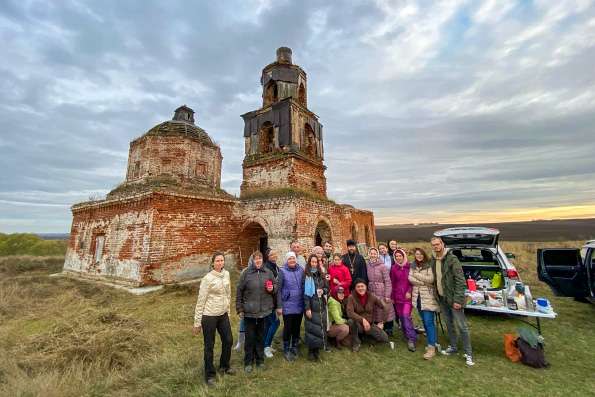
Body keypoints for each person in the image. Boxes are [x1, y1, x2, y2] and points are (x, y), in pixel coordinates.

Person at [430, 236, 474, 366]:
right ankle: (453, 347)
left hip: (454, 299)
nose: (436, 247)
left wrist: (458, 299)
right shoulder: (433, 259)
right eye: (433, 245)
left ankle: (468, 353)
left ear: (442, 244)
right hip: (442, 298)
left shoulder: (452, 259)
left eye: (437, 244)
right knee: (449, 324)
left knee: (462, 326)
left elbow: (460, 281)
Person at [193, 252, 234, 386]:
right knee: (209, 345)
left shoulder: (226, 274)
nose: (220, 263)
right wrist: (197, 322)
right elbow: (201, 300)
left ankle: (224, 366)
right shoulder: (207, 279)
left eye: (222, 260)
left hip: (223, 315)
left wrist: (228, 312)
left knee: (228, 340)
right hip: (209, 315)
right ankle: (209, 375)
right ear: (213, 263)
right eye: (217, 261)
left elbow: (228, 295)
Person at [236, 251, 277, 373]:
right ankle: (248, 361)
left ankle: (260, 360)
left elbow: (275, 286)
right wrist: (239, 308)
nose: (258, 260)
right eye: (256, 259)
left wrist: (272, 288)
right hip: (249, 311)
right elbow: (239, 291)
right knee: (250, 338)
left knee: (260, 337)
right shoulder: (246, 273)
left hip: (264, 311)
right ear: (252, 261)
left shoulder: (268, 272)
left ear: (262, 260)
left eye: (260, 258)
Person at [346, 279, 394, 352]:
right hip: (358, 324)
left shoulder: (372, 296)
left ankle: (365, 337)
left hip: (370, 325)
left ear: (366, 287)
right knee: (351, 321)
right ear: (355, 288)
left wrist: (382, 322)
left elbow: (384, 307)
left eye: (362, 286)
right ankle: (356, 342)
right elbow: (350, 313)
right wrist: (362, 320)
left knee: (384, 338)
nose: (360, 288)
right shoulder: (351, 297)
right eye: (358, 286)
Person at [408, 247, 439, 360]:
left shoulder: (428, 265)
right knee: (424, 322)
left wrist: (417, 275)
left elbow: (431, 279)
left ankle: (431, 348)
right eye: (417, 254)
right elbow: (409, 278)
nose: (419, 256)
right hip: (418, 298)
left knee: (428, 321)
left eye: (420, 254)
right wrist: (422, 281)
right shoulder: (413, 266)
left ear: (423, 255)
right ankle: (432, 342)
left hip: (428, 297)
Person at [276, 251, 305, 362]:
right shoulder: (282, 271)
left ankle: (294, 346)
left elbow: (303, 285)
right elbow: (278, 290)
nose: (292, 261)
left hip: (299, 303)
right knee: (288, 327)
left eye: (293, 258)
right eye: (290, 259)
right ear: (287, 260)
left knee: (296, 327)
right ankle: (286, 349)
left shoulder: (301, 270)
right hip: (287, 304)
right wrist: (279, 306)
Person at [303, 254, 329, 361]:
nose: (314, 264)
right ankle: (311, 351)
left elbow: (328, 288)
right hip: (311, 306)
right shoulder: (306, 276)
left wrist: (323, 291)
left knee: (319, 328)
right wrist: (307, 308)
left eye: (315, 262)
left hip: (321, 306)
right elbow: (305, 294)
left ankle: (317, 350)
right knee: (311, 328)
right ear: (309, 263)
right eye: (312, 262)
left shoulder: (321, 275)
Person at [390, 248, 416, 351]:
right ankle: (407, 334)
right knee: (401, 317)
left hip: (407, 296)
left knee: (406, 316)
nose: (398, 258)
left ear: (404, 256)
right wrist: (392, 296)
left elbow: (412, 281)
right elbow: (392, 283)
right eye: (396, 257)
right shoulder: (393, 268)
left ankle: (412, 339)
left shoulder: (409, 267)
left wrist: (409, 291)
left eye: (400, 256)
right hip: (397, 297)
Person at [366, 247, 395, 336]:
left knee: (385, 308)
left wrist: (387, 294)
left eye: (375, 253)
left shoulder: (382, 266)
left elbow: (387, 281)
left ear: (377, 255)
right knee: (376, 310)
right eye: (371, 253)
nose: (373, 255)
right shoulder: (367, 265)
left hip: (381, 289)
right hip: (371, 289)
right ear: (369, 254)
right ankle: (377, 330)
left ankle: (388, 329)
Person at [263, 248, 280, 358]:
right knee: (275, 323)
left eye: (275, 254)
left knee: (269, 324)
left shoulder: (275, 266)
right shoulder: (267, 268)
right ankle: (266, 346)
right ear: (268, 257)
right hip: (268, 300)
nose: (274, 256)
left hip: (274, 299)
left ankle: (267, 344)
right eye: (272, 254)